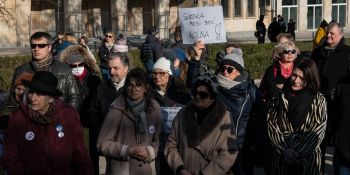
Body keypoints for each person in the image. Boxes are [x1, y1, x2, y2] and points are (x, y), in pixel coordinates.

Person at [4, 71, 93, 174]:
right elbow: (12, 157)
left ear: (51, 98)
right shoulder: (18, 118)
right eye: (31, 92)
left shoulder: (68, 115)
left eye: (39, 94)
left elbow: (80, 153)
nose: (32, 98)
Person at [165, 75, 238, 175]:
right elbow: (171, 145)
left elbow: (229, 153)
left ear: (212, 97)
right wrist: (179, 168)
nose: (197, 97)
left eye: (203, 94)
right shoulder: (182, 114)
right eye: (195, 93)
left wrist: (205, 173)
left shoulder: (225, 118)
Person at [267, 58, 327, 175]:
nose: (296, 81)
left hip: (308, 159)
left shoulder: (318, 99)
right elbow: (271, 124)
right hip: (282, 158)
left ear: (310, 79)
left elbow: (318, 129)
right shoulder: (280, 96)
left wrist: (298, 153)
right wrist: (284, 150)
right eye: (294, 75)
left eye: (302, 78)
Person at [97, 68, 162, 175]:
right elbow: (102, 144)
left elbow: (159, 139)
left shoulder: (154, 109)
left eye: (138, 85)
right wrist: (127, 150)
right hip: (121, 170)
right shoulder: (116, 109)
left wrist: (149, 152)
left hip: (145, 170)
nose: (134, 89)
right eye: (130, 85)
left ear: (145, 88)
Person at [311, 22, 350, 174]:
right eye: (328, 33)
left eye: (332, 34)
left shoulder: (347, 53)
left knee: (340, 143)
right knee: (320, 140)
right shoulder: (318, 52)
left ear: (341, 35)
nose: (328, 36)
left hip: (340, 105)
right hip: (320, 104)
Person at [9, 31, 80, 109]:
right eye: (33, 46)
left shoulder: (64, 69)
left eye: (41, 46)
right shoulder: (20, 71)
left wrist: (65, 116)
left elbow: (74, 96)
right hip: (28, 118)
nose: (36, 49)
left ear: (49, 47)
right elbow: (13, 99)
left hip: (58, 117)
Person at [89, 52, 129, 175]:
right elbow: (93, 113)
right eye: (109, 68)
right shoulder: (101, 88)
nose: (111, 72)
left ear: (126, 68)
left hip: (128, 146)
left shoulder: (134, 88)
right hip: (106, 145)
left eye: (115, 68)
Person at [59, 45, 101, 127]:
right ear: (68, 66)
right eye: (74, 66)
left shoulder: (93, 78)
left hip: (91, 121)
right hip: (73, 120)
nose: (77, 68)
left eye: (80, 64)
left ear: (84, 63)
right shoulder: (65, 81)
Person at [260, 41, 298, 105]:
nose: (290, 54)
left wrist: (282, 86)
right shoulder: (272, 69)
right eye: (286, 51)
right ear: (280, 54)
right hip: (277, 104)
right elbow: (272, 91)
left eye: (293, 51)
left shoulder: (299, 67)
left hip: (296, 102)